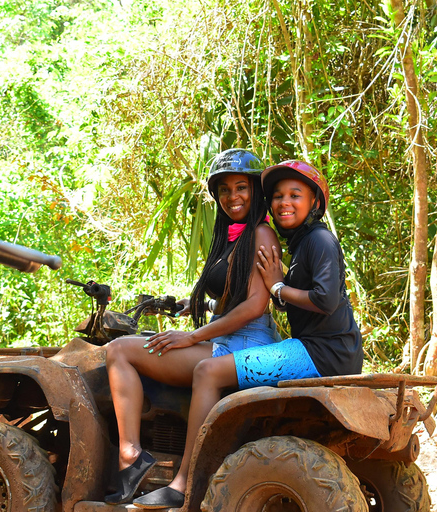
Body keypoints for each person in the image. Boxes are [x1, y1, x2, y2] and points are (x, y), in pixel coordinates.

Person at [131, 159, 364, 509]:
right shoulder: (303, 243)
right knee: (211, 368)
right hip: (318, 348)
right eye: (278, 196)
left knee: (208, 370)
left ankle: (185, 481)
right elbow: (281, 298)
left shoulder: (320, 239)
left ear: (315, 201)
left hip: (322, 353)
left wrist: (278, 288)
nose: (284, 202)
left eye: (295, 195)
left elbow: (324, 300)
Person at [103, 149, 282, 506]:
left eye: (241, 187)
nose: (233, 197)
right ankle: (138, 456)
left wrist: (193, 336)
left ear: (255, 191)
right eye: (225, 190)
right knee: (128, 347)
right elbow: (234, 296)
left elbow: (255, 305)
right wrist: (197, 305)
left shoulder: (261, 234)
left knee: (119, 350)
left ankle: (152, 467)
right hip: (225, 337)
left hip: (244, 345)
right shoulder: (231, 237)